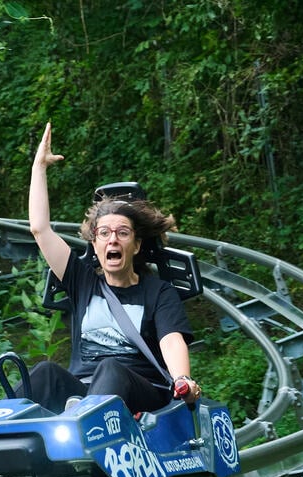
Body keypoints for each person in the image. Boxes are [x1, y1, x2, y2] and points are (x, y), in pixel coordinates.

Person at [21, 122, 202, 414]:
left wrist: (182, 378)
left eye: (122, 233)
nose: (112, 240)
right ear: (94, 244)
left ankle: (83, 420)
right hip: (82, 395)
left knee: (111, 368)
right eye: (103, 233)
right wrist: (38, 168)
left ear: (137, 244)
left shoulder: (158, 293)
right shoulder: (81, 281)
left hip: (140, 391)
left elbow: (171, 341)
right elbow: (39, 229)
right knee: (45, 372)